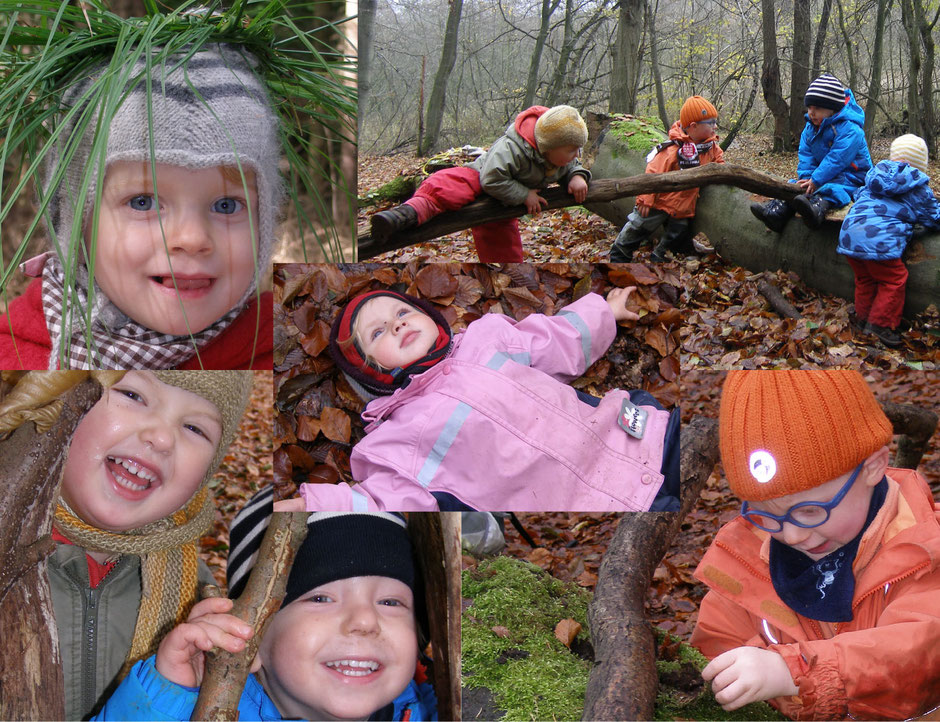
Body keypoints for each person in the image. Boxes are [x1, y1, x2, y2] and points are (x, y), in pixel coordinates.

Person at [0, 43, 281, 369]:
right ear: (75, 222)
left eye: (227, 205)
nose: (191, 239)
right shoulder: (13, 356)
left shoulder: (281, 345)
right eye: (142, 202)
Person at [277, 286, 680, 512]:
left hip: (635, 437)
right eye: (378, 333)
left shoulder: (488, 339)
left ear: (430, 319)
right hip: (596, 507)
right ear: (369, 373)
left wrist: (605, 311)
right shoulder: (399, 440)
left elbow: (556, 339)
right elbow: (382, 500)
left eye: (401, 311)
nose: (396, 323)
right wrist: (312, 504)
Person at [690, 370, 940, 720]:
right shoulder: (747, 560)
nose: (792, 537)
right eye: (766, 515)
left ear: (873, 467)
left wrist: (796, 671)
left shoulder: (924, 550)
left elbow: (920, 651)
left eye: (810, 510)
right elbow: (716, 643)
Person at [41, 369, 254, 720]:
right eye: (133, 396)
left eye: (194, 428)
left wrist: (188, 690)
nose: (161, 438)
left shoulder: (193, 596)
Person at [94, 505, 438, 721]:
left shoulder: (438, 706)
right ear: (253, 635)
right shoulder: (194, 712)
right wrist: (169, 698)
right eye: (320, 598)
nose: (365, 621)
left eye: (391, 603)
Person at [369, 105, 591, 262]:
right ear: (548, 146)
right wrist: (525, 195)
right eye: (572, 150)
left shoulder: (562, 156)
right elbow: (492, 178)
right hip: (484, 176)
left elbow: (570, 165)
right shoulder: (511, 149)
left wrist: (577, 176)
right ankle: (404, 215)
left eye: (578, 149)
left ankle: (507, 275)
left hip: (503, 199)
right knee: (446, 184)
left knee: (502, 241)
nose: (576, 154)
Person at [837, 134, 940, 348]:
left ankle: (863, 319)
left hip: (849, 235)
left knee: (865, 279)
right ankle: (879, 326)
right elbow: (933, 216)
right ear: (920, 165)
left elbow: (859, 195)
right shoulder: (917, 186)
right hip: (878, 242)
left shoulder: (875, 177)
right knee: (894, 279)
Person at [610, 95, 724, 262]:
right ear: (693, 126)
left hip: (683, 206)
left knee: (676, 233)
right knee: (639, 226)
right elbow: (653, 173)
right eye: (711, 123)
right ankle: (619, 253)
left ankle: (661, 255)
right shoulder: (672, 149)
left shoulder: (710, 147)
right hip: (659, 201)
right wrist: (645, 198)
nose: (715, 126)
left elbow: (719, 162)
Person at [751, 73, 872, 232]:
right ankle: (777, 213)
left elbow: (837, 158)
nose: (811, 113)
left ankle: (816, 210)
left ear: (833, 109)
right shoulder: (810, 128)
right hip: (824, 173)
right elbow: (806, 155)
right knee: (796, 186)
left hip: (853, 177)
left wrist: (816, 179)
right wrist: (807, 177)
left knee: (833, 189)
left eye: (817, 108)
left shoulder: (850, 128)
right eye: (809, 107)